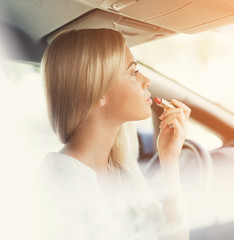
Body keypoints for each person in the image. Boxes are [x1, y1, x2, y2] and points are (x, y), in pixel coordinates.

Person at [33, 28, 191, 240]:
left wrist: (169, 161)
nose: (146, 80)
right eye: (133, 72)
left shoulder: (120, 171)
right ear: (96, 92)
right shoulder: (56, 185)